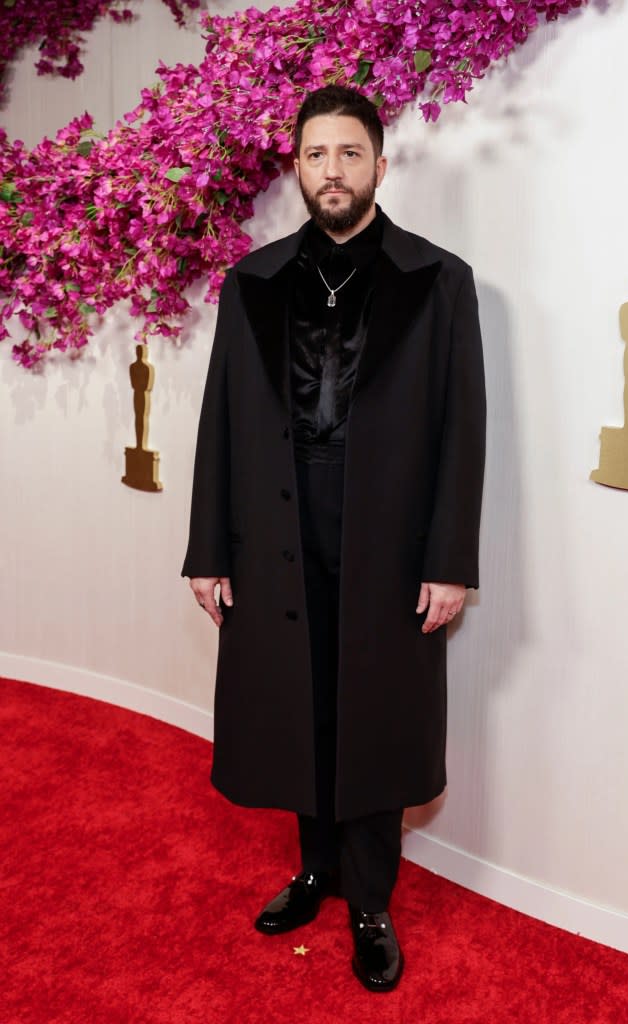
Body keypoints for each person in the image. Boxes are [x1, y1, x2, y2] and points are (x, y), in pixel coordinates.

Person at [182, 85, 486, 993]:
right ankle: (313, 873)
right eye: (316, 155)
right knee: (300, 707)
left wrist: (450, 564)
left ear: (379, 165)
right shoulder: (253, 281)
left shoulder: (438, 280)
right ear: (297, 167)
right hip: (273, 525)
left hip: (389, 542)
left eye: (350, 153)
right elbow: (219, 422)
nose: (332, 171)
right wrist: (208, 549)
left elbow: (461, 431)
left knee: (374, 715)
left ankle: (368, 902)